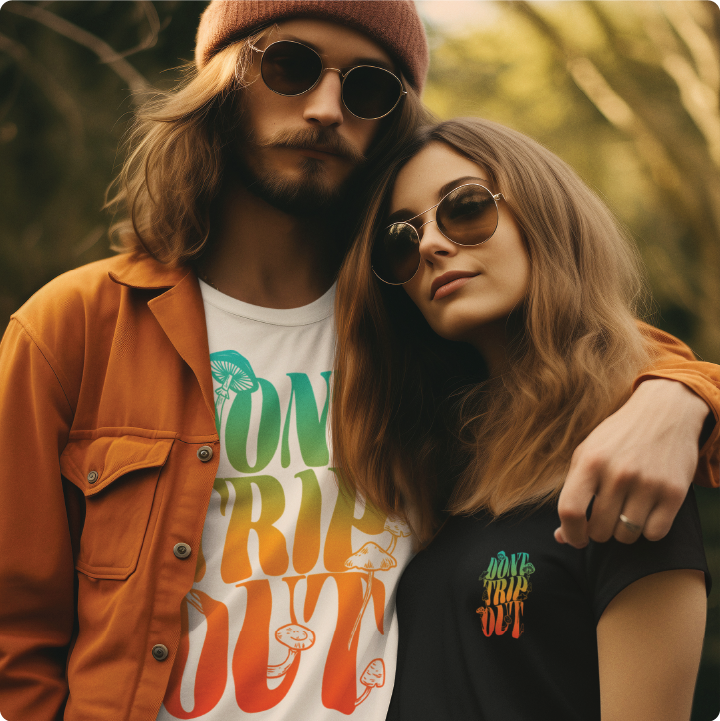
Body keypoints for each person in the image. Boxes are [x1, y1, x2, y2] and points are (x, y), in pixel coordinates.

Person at [0, 1, 717, 719]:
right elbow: (15, 637)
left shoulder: (414, 318)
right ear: (222, 81)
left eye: (368, 87)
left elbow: (578, 344)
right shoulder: (74, 329)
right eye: (289, 66)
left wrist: (678, 395)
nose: (324, 108)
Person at [332, 117, 712, 720]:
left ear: (542, 212)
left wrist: (681, 397)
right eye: (401, 239)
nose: (430, 244)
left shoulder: (632, 467)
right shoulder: (431, 460)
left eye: (464, 207)